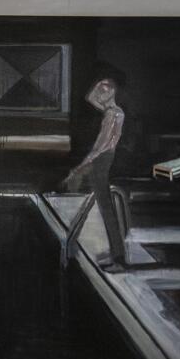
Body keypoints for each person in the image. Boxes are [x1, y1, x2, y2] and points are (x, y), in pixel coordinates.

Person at [62, 76, 127, 267]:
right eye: (101, 89)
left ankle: (119, 258)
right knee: (103, 204)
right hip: (105, 158)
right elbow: (90, 98)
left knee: (106, 207)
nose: (101, 93)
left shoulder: (112, 114)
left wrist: (86, 161)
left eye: (105, 89)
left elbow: (101, 144)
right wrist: (98, 86)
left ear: (113, 91)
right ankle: (116, 254)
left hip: (102, 159)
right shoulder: (113, 111)